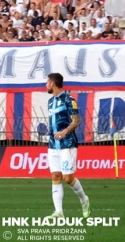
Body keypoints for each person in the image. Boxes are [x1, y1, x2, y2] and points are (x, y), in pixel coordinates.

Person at [45, 73, 90, 219]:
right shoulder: (50, 102)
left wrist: (64, 132)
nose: (46, 85)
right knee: (55, 175)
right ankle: (59, 212)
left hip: (67, 143)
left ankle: (84, 200)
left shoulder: (69, 100)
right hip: (53, 144)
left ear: (52, 83)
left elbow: (77, 121)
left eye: (47, 82)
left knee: (68, 178)